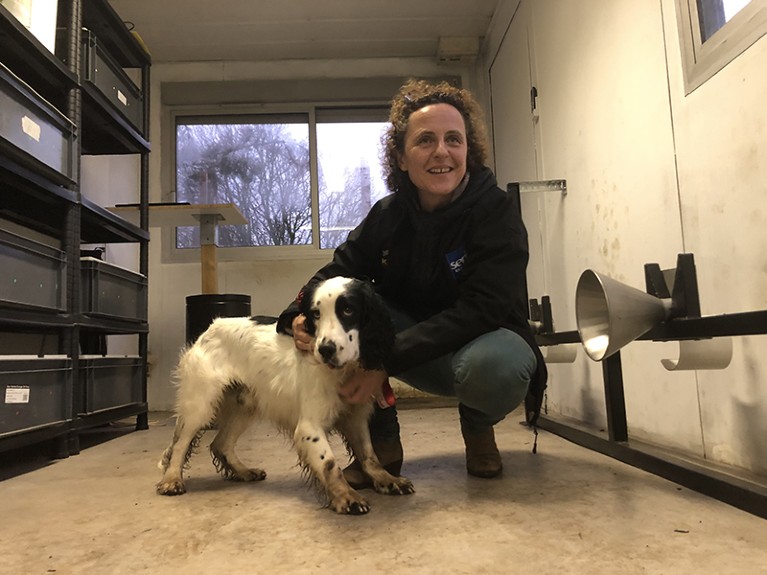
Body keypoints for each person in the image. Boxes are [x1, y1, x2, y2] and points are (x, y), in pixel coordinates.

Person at [277, 78, 547, 483]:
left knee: (496, 367)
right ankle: (381, 445)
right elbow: (339, 269)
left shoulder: (496, 212)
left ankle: (478, 428)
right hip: (410, 347)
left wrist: (382, 361)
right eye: (425, 141)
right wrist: (296, 315)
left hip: (481, 343)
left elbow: (483, 309)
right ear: (401, 158)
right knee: (350, 321)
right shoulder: (387, 215)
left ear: (468, 151)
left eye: (454, 139)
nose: (442, 152)